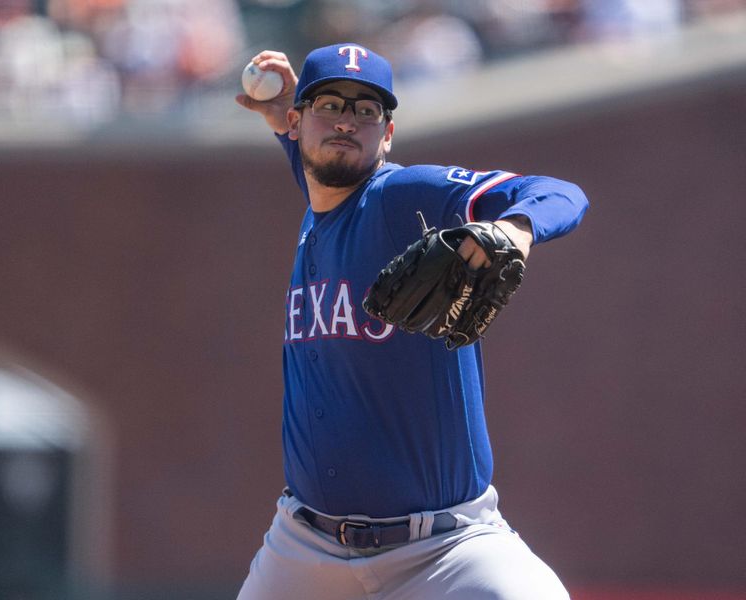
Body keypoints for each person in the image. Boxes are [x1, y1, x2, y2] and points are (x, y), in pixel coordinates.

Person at [234, 42, 589, 599]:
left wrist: (515, 228)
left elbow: (558, 192)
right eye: (331, 104)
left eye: (367, 111)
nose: (348, 121)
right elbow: (317, 168)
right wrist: (284, 118)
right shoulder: (321, 200)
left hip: (445, 549)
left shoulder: (402, 195)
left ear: (388, 135)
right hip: (304, 547)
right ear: (298, 123)